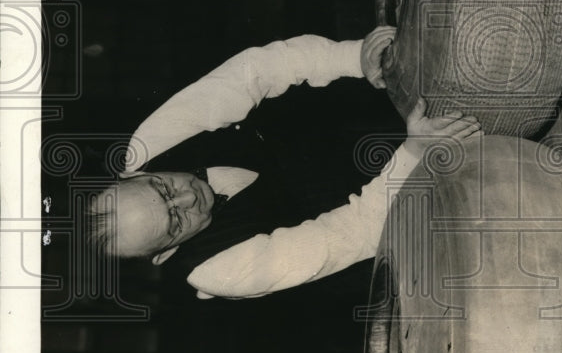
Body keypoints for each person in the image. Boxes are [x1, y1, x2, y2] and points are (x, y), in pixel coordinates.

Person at [88, 26, 480, 299]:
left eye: (163, 188)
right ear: (164, 253)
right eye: (175, 221)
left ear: (137, 173)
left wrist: (353, 57)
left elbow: (255, 72)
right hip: (408, 226)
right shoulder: (218, 270)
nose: (189, 198)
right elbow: (355, 232)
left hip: (367, 140)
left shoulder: (150, 143)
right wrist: (414, 155)